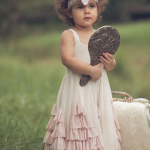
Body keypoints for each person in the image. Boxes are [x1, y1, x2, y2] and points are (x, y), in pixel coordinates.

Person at [43, 0, 121, 150]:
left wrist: (110, 63)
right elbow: (67, 59)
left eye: (91, 6)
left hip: (98, 88)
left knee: (99, 118)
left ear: (98, 9)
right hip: (78, 89)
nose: (87, 11)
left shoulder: (101, 36)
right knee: (81, 118)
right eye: (80, 7)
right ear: (68, 12)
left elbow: (110, 65)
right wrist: (89, 70)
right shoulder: (69, 35)